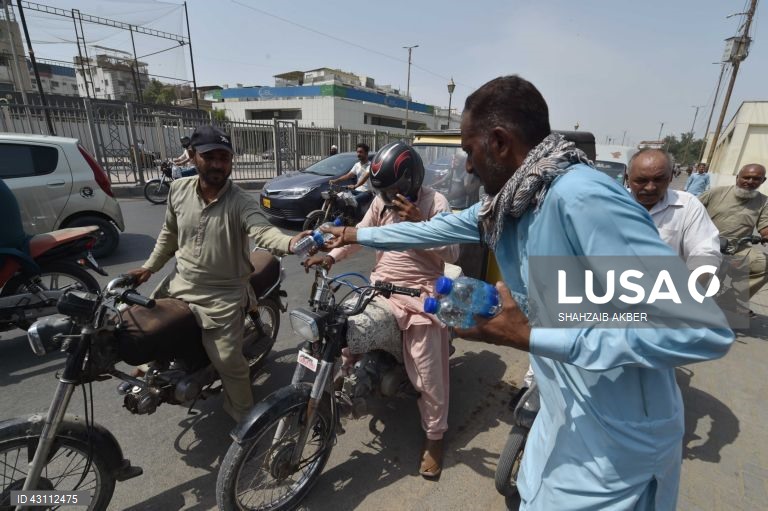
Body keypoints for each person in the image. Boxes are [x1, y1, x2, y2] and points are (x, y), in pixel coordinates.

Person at [321, 75, 734, 509]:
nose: (466, 166)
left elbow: (697, 329)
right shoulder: (512, 203)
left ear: (498, 142)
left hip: (617, 440)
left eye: (468, 150)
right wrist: (351, 233)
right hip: (559, 413)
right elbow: (436, 228)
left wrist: (532, 335)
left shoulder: (582, 198)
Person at [127, 125, 309, 422]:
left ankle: (246, 423)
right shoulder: (178, 190)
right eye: (210, 156)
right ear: (192, 156)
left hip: (222, 294)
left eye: (224, 157)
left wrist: (291, 242)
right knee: (142, 329)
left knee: (229, 362)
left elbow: (262, 232)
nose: (217, 164)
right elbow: (168, 236)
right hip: (178, 283)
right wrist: (148, 267)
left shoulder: (240, 202)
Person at [306, 142, 458, 478]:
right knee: (338, 331)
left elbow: (453, 252)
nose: (388, 197)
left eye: (392, 190)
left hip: (420, 296)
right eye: (383, 191)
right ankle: (342, 392)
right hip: (379, 289)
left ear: (410, 181)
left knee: (428, 370)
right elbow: (361, 236)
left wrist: (421, 223)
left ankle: (435, 438)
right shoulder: (381, 202)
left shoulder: (436, 202)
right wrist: (331, 256)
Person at [627, 148, 721, 270]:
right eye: (641, 180)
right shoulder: (611, 203)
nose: (650, 187)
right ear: (627, 178)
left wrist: (691, 285)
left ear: (670, 177)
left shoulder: (688, 205)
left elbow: (706, 252)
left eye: (658, 179)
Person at [699, 163, 768, 299]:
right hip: (705, 244)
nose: (750, 182)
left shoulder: (764, 202)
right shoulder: (716, 193)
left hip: (738, 249)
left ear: (763, 181)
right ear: (737, 178)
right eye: (746, 177)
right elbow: (691, 210)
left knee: (764, 265)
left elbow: (765, 227)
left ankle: (731, 299)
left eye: (756, 179)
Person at [329, 142, 373, 211]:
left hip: (367, 192)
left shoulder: (370, 165)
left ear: (366, 153)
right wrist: (335, 181)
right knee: (339, 197)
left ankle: (354, 219)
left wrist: (355, 185)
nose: (358, 154)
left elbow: (365, 177)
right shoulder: (357, 165)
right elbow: (348, 175)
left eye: (361, 152)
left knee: (352, 200)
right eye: (358, 152)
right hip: (357, 190)